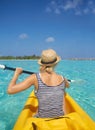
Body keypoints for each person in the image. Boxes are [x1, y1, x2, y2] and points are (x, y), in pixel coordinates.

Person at [7, 49, 69, 118]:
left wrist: (16, 74)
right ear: (56, 63)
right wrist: (65, 82)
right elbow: (67, 85)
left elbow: (10, 90)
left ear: (42, 63)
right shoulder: (63, 79)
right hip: (61, 117)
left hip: (42, 118)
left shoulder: (35, 78)